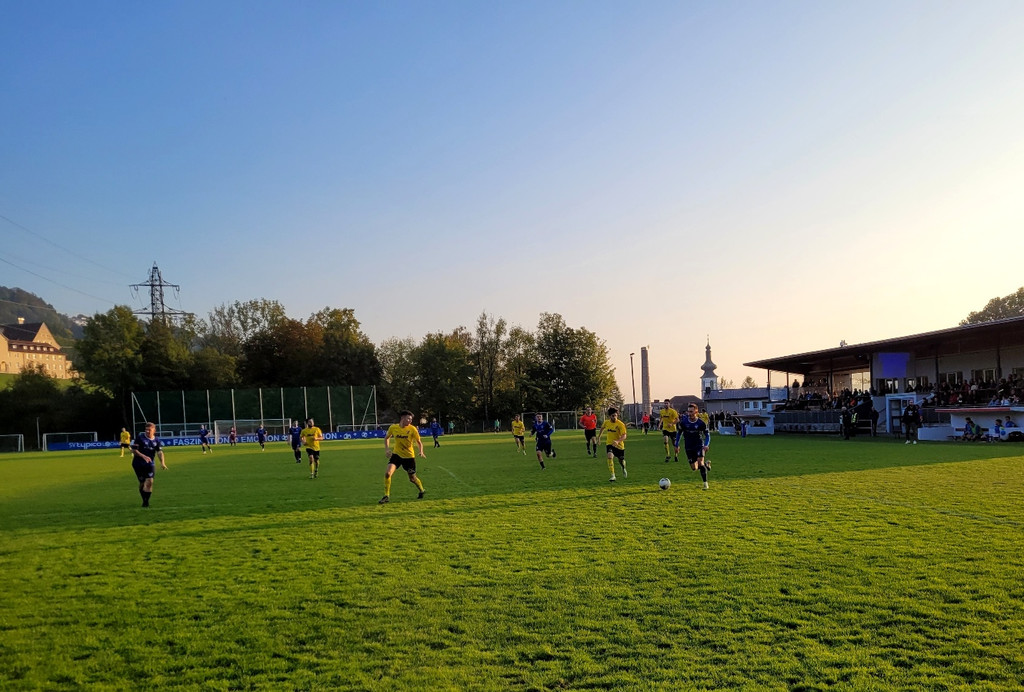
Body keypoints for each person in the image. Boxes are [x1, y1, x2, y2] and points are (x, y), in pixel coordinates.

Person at [379, 410, 426, 504]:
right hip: (396, 455)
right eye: (408, 418)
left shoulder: (412, 429)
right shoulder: (393, 427)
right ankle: (386, 496)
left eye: (411, 419)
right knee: (388, 473)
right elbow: (387, 438)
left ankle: (421, 490)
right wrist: (387, 449)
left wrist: (421, 451)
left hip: (409, 457)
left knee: (412, 478)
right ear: (402, 418)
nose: (410, 421)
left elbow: (419, 442)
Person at [130, 422, 168, 507]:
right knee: (142, 483)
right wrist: (143, 456)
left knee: (150, 481)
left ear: (154, 430)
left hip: (150, 464)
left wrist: (162, 463)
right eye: (146, 430)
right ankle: (144, 499)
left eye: (149, 430)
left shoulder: (157, 440)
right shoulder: (140, 438)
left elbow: (159, 452)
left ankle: (146, 502)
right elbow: (134, 451)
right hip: (138, 463)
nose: (147, 431)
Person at [678, 403, 711, 490]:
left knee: (700, 462)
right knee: (694, 468)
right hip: (688, 446)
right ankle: (706, 465)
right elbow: (679, 433)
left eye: (691, 411)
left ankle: (705, 484)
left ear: (696, 411)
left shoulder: (701, 423)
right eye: (688, 411)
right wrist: (676, 444)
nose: (690, 413)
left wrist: (706, 445)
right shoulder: (684, 422)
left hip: (699, 445)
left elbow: (707, 435)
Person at [600, 406, 628, 482]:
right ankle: (613, 475)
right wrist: (599, 437)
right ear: (610, 416)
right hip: (610, 443)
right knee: (609, 456)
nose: (614, 417)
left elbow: (624, 436)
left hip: (619, 445)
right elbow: (602, 428)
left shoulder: (620, 424)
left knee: (621, 460)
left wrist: (618, 441)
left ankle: (623, 468)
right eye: (613, 416)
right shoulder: (606, 422)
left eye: (616, 415)